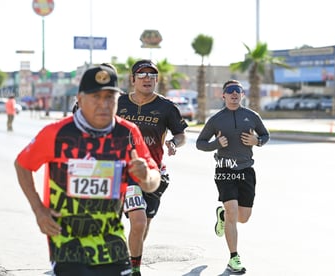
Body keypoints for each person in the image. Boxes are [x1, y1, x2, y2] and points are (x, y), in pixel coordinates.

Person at [14, 65, 161, 276]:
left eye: (110, 97)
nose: (104, 104)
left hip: (112, 241)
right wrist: (39, 209)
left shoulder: (128, 132)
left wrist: (146, 177)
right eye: (96, 97)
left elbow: (153, 178)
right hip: (68, 244)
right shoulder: (57, 133)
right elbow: (22, 164)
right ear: (80, 100)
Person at [116, 59, 188, 276]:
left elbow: (181, 134)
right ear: (132, 79)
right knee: (137, 221)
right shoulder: (118, 103)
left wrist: (174, 143)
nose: (147, 78)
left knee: (143, 224)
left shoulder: (166, 106)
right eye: (142, 74)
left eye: (152, 75)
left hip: (153, 174)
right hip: (123, 171)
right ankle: (133, 270)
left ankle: (132, 260)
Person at [195, 80, 270, 274]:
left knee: (243, 218)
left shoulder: (252, 116)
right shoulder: (216, 119)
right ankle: (233, 258)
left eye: (238, 91)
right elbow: (200, 143)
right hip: (224, 167)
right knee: (232, 211)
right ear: (224, 96)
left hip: (246, 170)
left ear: (242, 95)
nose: (234, 94)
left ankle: (222, 215)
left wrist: (258, 141)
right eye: (230, 91)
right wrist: (216, 144)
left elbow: (265, 135)